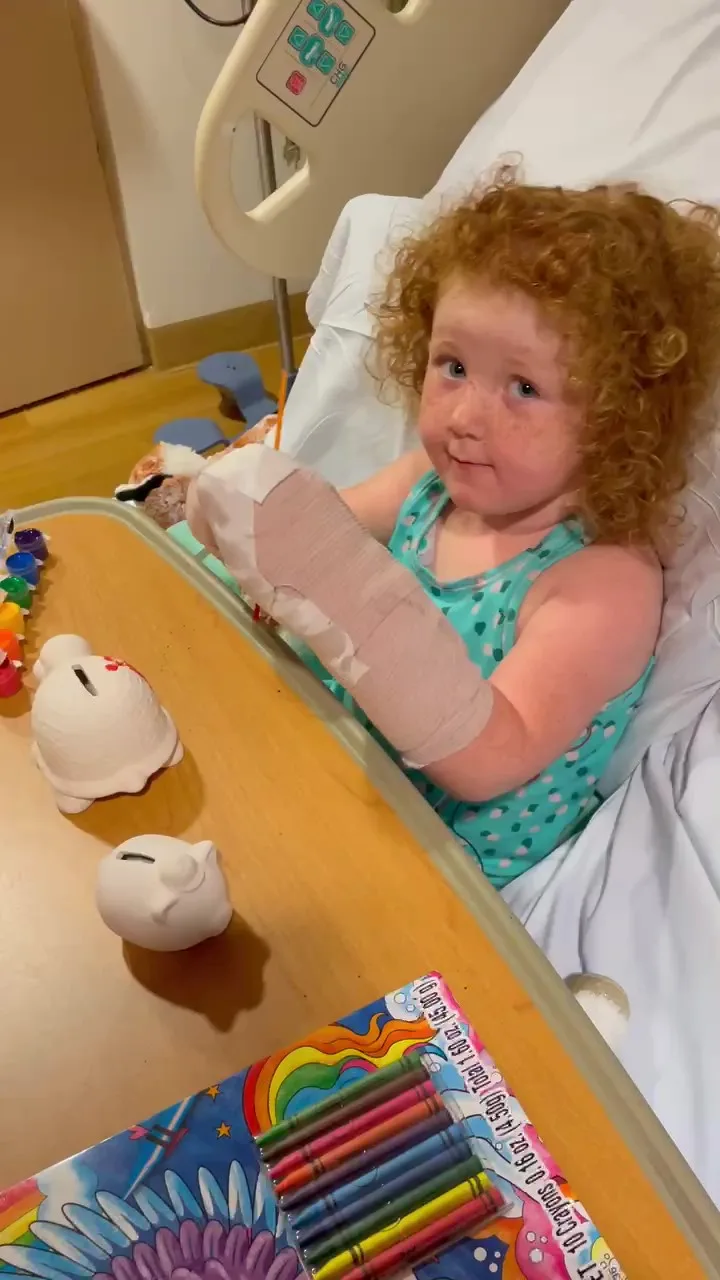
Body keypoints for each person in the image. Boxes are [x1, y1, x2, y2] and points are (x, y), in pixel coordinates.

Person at [187, 176, 720, 888]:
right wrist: (215, 537)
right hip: (339, 772)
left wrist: (337, 589)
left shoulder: (602, 580)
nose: (466, 415)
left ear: (620, 419)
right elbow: (308, 535)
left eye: (523, 387)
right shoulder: (428, 487)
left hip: (437, 867)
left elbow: (488, 757)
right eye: (455, 366)